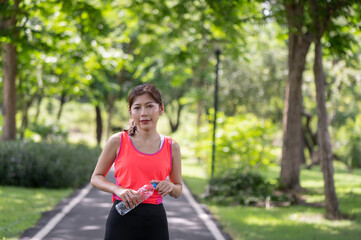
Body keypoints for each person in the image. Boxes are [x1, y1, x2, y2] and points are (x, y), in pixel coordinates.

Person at [90, 83, 182, 240]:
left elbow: (178, 189)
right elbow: (96, 177)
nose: (143, 113)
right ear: (131, 112)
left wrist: (171, 186)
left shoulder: (171, 146)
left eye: (149, 106)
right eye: (137, 107)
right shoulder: (118, 141)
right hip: (122, 218)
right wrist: (118, 190)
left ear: (161, 109)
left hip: (155, 221)